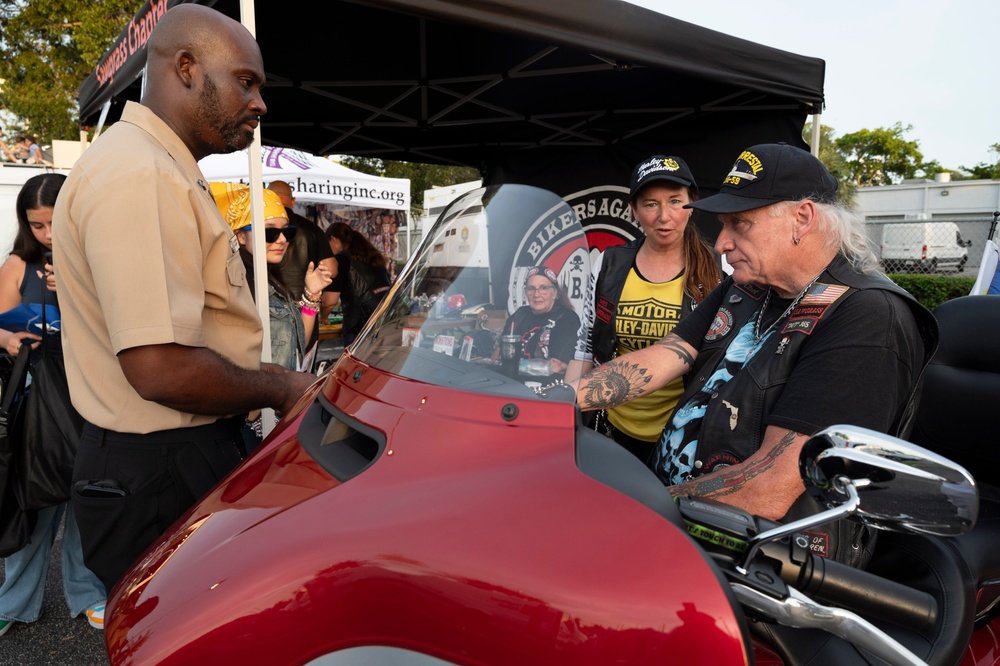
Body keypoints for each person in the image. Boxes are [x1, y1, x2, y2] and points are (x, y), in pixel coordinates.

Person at [51, 4, 318, 592]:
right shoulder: (140, 173)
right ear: (187, 68)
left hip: (168, 459)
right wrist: (281, 386)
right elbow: (159, 367)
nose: (260, 103)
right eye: (245, 82)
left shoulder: (160, 166)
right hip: (160, 468)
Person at [568, 143, 937, 561]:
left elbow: (770, 487)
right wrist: (553, 402)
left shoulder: (868, 316)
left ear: (802, 218)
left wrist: (631, 508)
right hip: (677, 519)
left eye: (739, 224)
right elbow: (668, 353)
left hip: (753, 559)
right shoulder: (748, 286)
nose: (722, 243)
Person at [0, 174, 106, 638]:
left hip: (94, 398)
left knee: (88, 503)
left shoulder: (100, 259)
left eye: (53, 222)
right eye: (36, 225)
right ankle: (14, 602)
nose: (46, 234)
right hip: (36, 405)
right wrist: (7, 338)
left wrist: (73, 292)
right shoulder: (18, 264)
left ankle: (88, 594)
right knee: (35, 503)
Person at [568, 155, 721, 462]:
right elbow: (585, 345)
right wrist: (563, 409)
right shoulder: (609, 263)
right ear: (634, 211)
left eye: (676, 201)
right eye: (651, 204)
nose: (664, 216)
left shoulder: (719, 269)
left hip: (684, 437)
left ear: (692, 205)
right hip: (613, 430)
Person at [212, 182, 332, 370]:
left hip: (282, 394)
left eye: (287, 231)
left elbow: (296, 346)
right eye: (270, 232)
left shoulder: (270, 281)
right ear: (241, 236)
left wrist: (312, 294)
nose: (282, 239)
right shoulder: (235, 285)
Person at [499, 266, 581, 380]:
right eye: (531, 288)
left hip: (543, 391)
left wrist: (512, 365)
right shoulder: (519, 315)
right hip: (509, 384)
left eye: (543, 288)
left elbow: (555, 366)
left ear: (555, 293)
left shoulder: (566, 319)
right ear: (526, 292)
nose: (536, 294)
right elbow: (499, 352)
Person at [267, 180, 337, 312]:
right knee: (305, 332)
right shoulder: (312, 229)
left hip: (270, 304)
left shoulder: (259, 227)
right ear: (292, 201)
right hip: (305, 303)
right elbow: (331, 270)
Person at [325, 222, 393, 344]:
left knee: (355, 363)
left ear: (333, 239)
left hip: (360, 326)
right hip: (386, 322)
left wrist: (323, 316)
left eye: (327, 245)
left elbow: (329, 302)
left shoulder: (341, 260)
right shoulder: (372, 257)